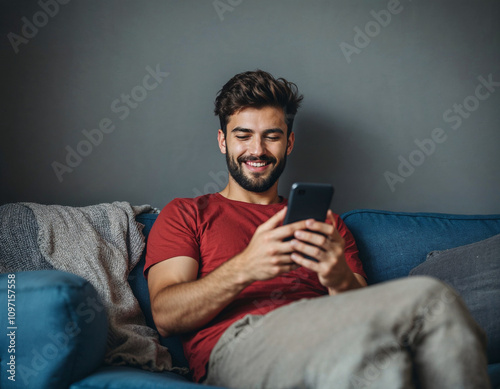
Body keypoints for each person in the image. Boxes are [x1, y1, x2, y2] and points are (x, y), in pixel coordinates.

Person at [145, 70, 490, 388]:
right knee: (373, 348)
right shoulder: (187, 213)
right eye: (243, 135)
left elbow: (361, 311)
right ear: (223, 141)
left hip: (331, 332)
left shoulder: (326, 223)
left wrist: (337, 275)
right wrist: (245, 267)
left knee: (430, 301)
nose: (257, 150)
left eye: (272, 137)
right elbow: (166, 316)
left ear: (289, 144)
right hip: (240, 345)